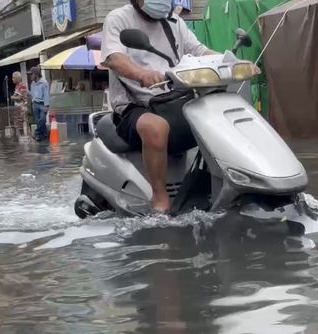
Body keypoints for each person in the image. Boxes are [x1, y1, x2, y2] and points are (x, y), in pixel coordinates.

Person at [101, 0, 258, 213]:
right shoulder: (119, 19)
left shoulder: (174, 21)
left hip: (174, 98)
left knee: (216, 117)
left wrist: (233, 63)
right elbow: (114, 59)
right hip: (135, 104)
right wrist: (141, 74)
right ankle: (160, 199)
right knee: (156, 128)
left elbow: (199, 51)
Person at [28, 66, 50, 141]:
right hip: (35, 104)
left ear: (36, 74)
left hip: (42, 103)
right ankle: (44, 135)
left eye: (31, 74)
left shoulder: (44, 83)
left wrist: (46, 105)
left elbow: (46, 94)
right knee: (38, 121)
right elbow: (32, 94)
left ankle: (37, 133)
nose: (30, 76)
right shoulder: (32, 84)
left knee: (42, 120)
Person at [10, 71, 29, 136]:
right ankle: (22, 137)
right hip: (18, 108)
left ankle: (25, 137)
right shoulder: (17, 86)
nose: (12, 79)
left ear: (18, 78)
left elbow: (19, 98)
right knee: (18, 124)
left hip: (22, 107)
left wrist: (12, 97)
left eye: (14, 78)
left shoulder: (22, 86)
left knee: (22, 123)